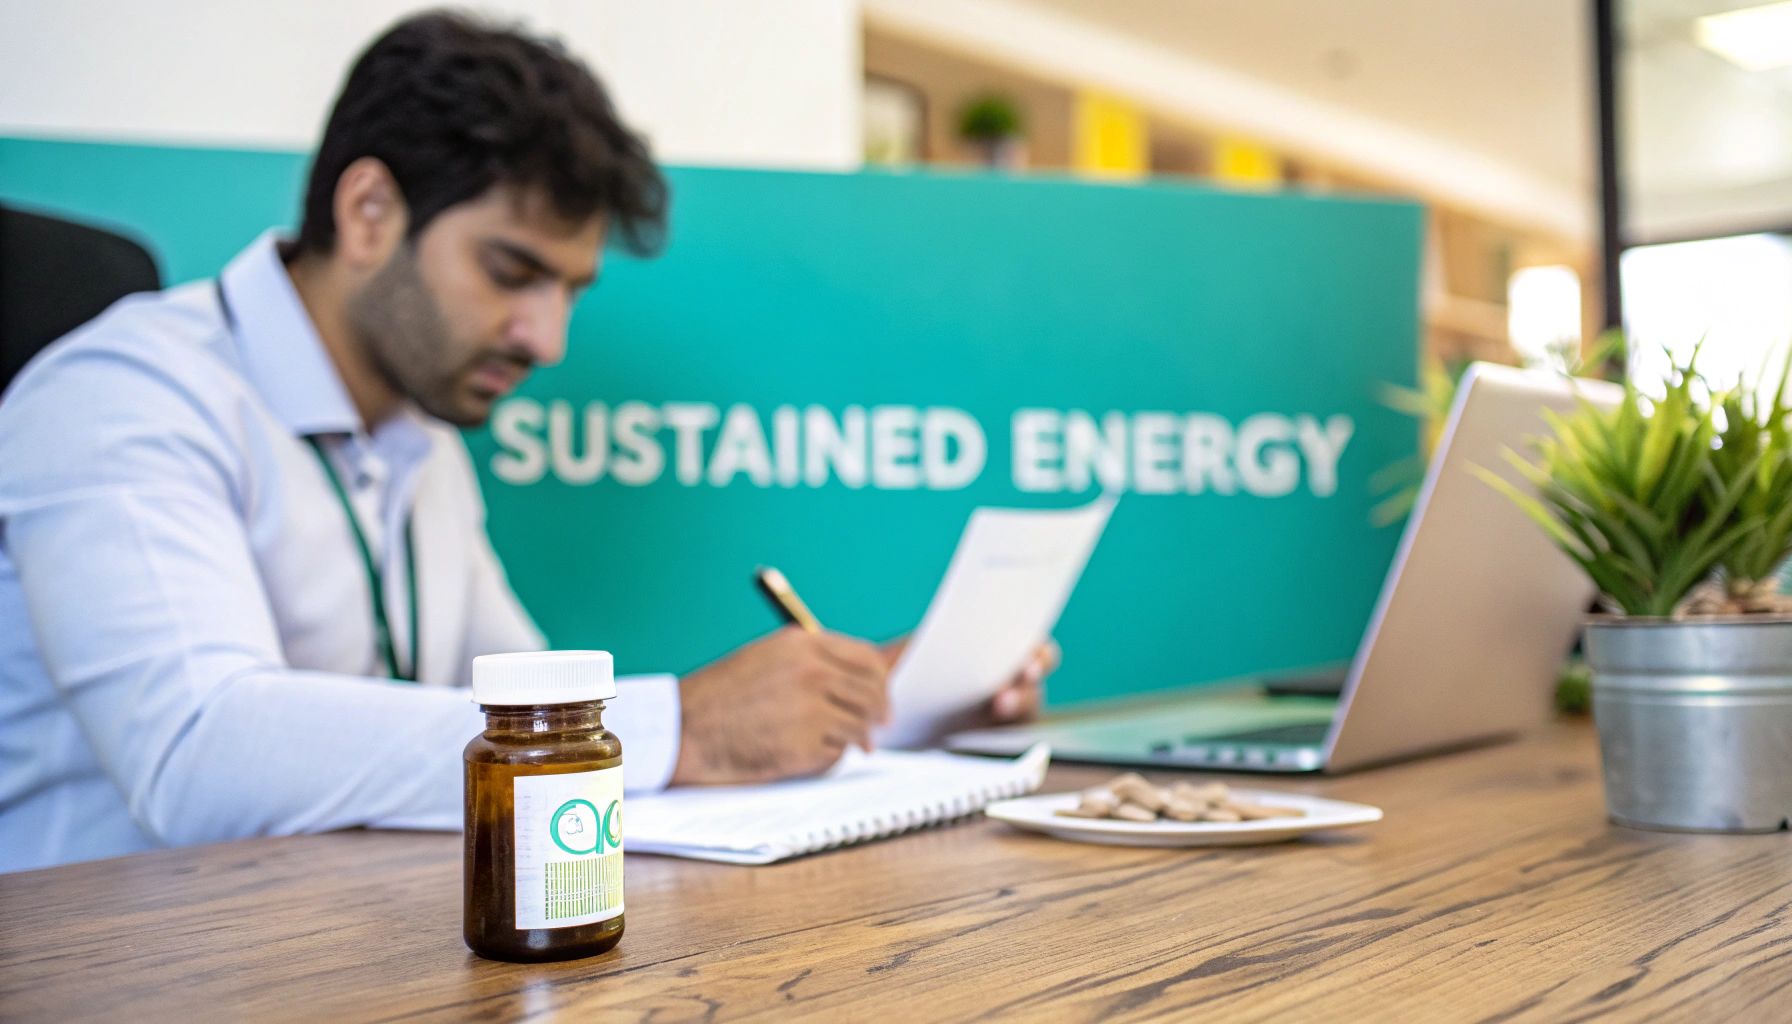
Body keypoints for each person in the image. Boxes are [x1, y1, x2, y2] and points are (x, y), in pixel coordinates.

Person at [0, 11, 1051, 873]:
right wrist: (687, 724)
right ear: (368, 210)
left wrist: (859, 699)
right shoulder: (124, 395)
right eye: (511, 273)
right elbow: (196, 755)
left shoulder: (421, 438)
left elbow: (533, 705)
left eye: (568, 291)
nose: (545, 338)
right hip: (108, 967)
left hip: (322, 941)